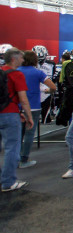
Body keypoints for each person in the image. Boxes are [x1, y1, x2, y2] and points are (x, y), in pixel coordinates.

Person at [1, 48, 33, 192]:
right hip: (10, 114)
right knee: (12, 148)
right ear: (14, 59)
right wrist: (29, 116)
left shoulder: (1, 72)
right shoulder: (16, 74)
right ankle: (8, 182)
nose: (23, 60)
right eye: (21, 58)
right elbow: (23, 99)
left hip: (5, 112)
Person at [18, 50, 56, 168]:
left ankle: (15, 158)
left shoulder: (16, 71)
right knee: (29, 134)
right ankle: (24, 159)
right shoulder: (38, 73)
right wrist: (47, 91)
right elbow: (53, 87)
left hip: (18, 107)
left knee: (18, 134)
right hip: (33, 107)